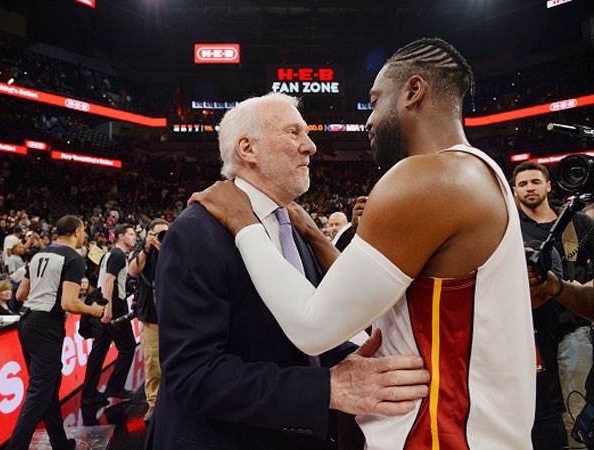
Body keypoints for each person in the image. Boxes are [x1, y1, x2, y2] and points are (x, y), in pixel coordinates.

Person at [191, 37, 536, 449]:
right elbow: (371, 301)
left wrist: (241, 221)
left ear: (412, 91)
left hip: (439, 435)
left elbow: (313, 327)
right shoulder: (482, 171)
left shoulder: (425, 179)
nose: (369, 120)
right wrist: (317, 236)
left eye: (374, 101)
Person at [150, 92, 430, 450]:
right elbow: (193, 374)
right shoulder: (196, 231)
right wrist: (329, 388)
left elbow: (298, 337)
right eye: (293, 133)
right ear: (247, 149)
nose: (310, 146)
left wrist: (349, 358)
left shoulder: (293, 227)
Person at [6, 215, 105, 450]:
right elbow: (69, 303)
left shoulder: (38, 254)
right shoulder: (73, 258)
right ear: (77, 231)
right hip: (46, 326)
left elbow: (20, 295)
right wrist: (94, 310)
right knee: (40, 392)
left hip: (28, 322)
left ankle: (59, 442)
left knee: (48, 387)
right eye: (83, 230)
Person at [513, 161, 594, 446]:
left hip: (574, 328)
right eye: (522, 184)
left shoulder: (577, 222)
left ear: (548, 185)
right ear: (515, 191)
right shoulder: (508, 229)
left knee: (577, 407)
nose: (529, 188)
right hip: (529, 334)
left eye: (535, 181)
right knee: (535, 415)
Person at [82, 223, 137, 406]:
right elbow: (108, 280)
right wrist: (109, 308)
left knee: (99, 350)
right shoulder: (118, 255)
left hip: (104, 300)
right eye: (130, 234)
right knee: (128, 347)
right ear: (121, 236)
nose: (134, 237)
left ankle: (89, 393)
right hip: (113, 304)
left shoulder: (110, 253)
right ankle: (114, 386)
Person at [127, 218, 169, 424]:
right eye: (158, 234)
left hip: (174, 318)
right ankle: (153, 404)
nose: (162, 237)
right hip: (152, 318)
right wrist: (147, 248)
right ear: (149, 235)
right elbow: (132, 271)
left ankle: (175, 403)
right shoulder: (144, 253)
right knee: (153, 363)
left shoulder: (175, 250)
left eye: (166, 233)